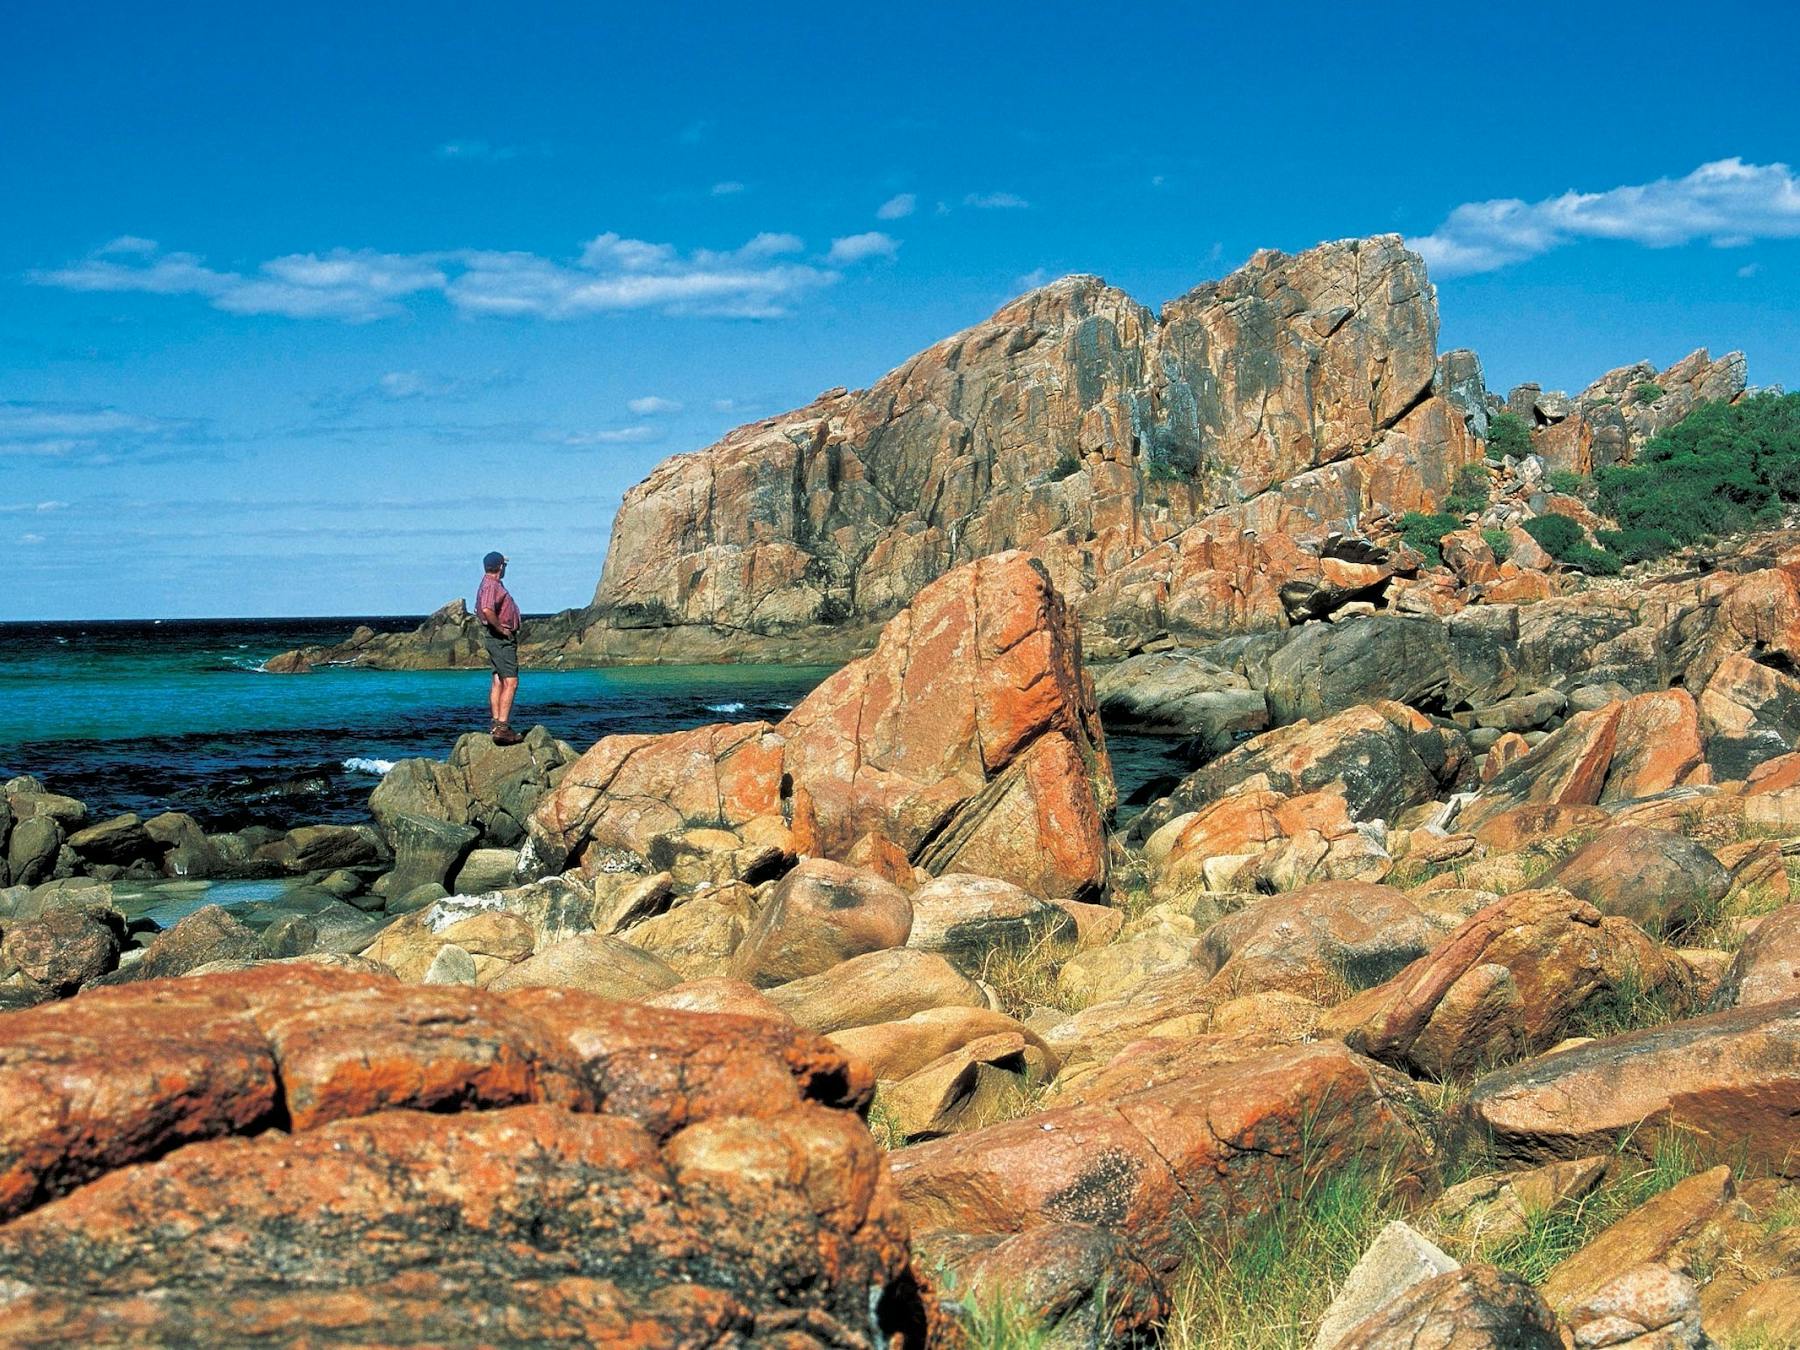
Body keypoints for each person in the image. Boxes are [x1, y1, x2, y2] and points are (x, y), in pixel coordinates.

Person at [475, 550, 524, 745]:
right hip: (500, 639)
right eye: (505, 565)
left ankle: (497, 723)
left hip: (496, 638)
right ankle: (502, 727)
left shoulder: (490, 584)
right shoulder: (491, 585)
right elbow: (487, 609)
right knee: (511, 682)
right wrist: (502, 629)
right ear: (501, 566)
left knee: (498, 679)